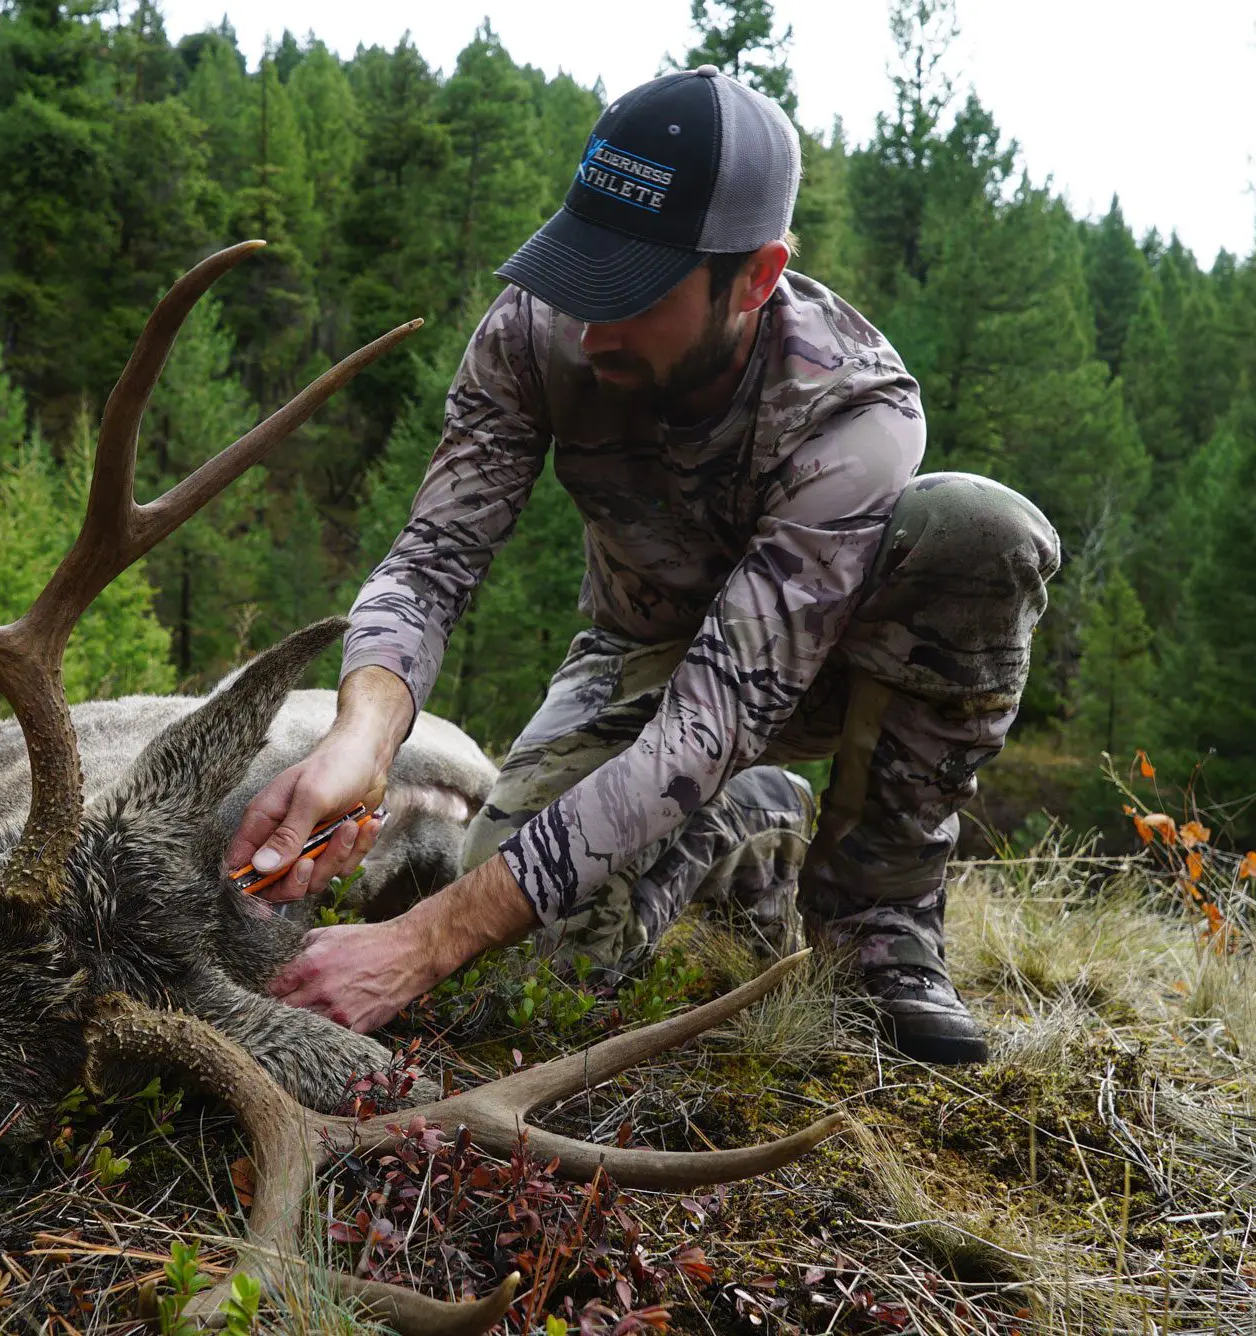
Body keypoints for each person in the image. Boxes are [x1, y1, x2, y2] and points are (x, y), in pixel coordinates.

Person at [224, 65, 1060, 1064]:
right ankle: (744, 823)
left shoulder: (851, 411)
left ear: (753, 278)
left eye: (633, 293)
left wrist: (414, 943)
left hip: (817, 667)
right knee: (524, 979)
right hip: (637, 658)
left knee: (978, 528)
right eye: (581, 272)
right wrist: (358, 739)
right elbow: (434, 558)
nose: (589, 325)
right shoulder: (535, 331)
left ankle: (877, 917)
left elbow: (711, 723)